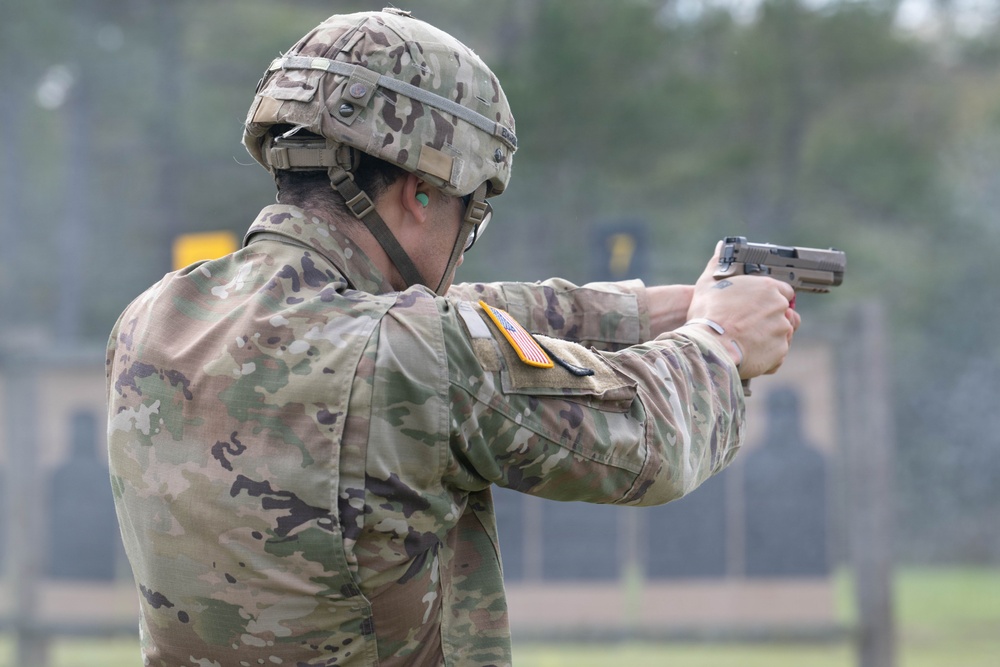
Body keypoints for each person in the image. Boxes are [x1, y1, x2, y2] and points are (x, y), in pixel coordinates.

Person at [106, 8, 799, 667]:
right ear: (422, 193)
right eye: (474, 214)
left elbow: (427, 318)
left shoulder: (155, 317)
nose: (465, 243)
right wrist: (721, 341)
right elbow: (650, 439)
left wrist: (658, 309)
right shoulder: (418, 354)